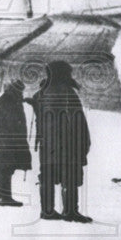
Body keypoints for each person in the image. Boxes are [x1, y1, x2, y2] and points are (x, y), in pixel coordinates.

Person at [31, 61, 92, 222]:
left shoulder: (41, 93)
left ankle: (47, 211)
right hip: (67, 144)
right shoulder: (67, 92)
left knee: (48, 176)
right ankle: (70, 211)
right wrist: (84, 142)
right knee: (70, 177)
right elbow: (78, 120)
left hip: (47, 145)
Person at [0, 79, 31, 206]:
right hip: (8, 141)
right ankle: (6, 198)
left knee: (1, 168)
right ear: (15, 90)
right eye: (20, 91)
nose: (21, 93)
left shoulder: (6, 101)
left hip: (4, 140)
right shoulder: (10, 103)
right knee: (6, 168)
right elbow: (13, 123)